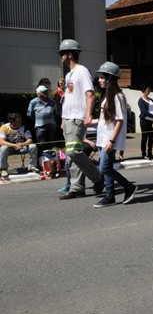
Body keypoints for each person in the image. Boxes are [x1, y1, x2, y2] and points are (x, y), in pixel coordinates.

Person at [57, 39, 104, 199]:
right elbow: (68, 98)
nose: (60, 56)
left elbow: (90, 94)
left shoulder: (82, 71)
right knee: (71, 155)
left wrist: (88, 114)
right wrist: (63, 119)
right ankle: (77, 188)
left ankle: (98, 177)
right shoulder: (69, 74)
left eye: (62, 53)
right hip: (68, 119)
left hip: (77, 118)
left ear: (70, 54)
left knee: (73, 151)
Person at [93, 62, 138, 208]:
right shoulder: (107, 96)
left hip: (109, 138)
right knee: (107, 167)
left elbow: (120, 120)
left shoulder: (118, 96)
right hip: (103, 137)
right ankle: (109, 196)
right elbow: (106, 119)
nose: (99, 80)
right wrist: (90, 122)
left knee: (104, 168)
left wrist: (112, 141)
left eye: (102, 77)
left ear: (110, 78)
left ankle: (129, 187)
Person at [0, 113, 40, 177]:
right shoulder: (4, 127)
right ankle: (3, 169)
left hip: (22, 147)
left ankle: (32, 166)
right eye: (18, 121)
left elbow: (30, 140)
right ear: (12, 122)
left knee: (33, 146)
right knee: (3, 148)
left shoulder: (24, 127)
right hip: (10, 148)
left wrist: (23, 144)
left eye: (20, 120)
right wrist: (14, 145)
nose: (20, 122)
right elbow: (1, 142)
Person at [27, 85, 60, 155]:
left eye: (46, 92)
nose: (45, 93)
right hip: (40, 126)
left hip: (51, 125)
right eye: (43, 92)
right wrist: (38, 119)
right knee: (41, 143)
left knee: (51, 142)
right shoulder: (33, 102)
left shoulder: (52, 102)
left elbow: (56, 113)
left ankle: (51, 157)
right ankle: (41, 157)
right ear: (38, 93)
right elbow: (30, 114)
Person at [138, 84, 153, 160]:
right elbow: (144, 111)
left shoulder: (151, 100)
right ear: (144, 90)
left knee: (151, 138)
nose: (149, 91)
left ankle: (150, 152)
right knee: (144, 138)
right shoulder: (141, 100)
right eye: (148, 89)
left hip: (152, 121)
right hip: (145, 121)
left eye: (150, 89)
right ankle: (143, 153)